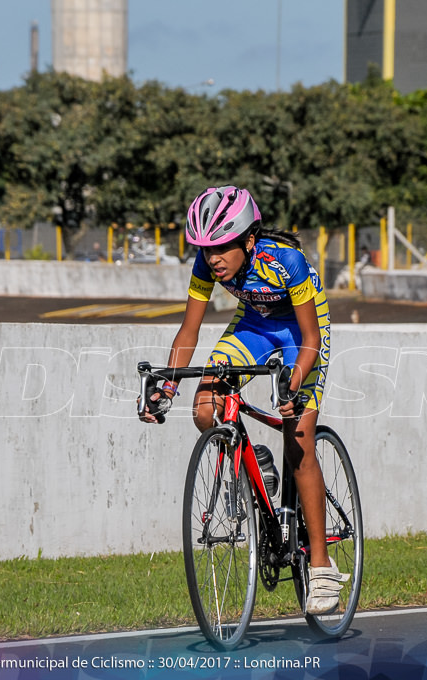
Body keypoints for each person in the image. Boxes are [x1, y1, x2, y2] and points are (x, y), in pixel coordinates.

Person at [139, 185, 348, 615]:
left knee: (300, 437)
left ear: (249, 240)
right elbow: (189, 331)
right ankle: (259, 465)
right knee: (205, 409)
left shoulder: (285, 259)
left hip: (300, 336)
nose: (212, 257)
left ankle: (322, 569)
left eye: (221, 247)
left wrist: (294, 385)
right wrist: (168, 387)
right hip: (252, 327)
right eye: (204, 248)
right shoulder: (205, 264)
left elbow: (310, 338)